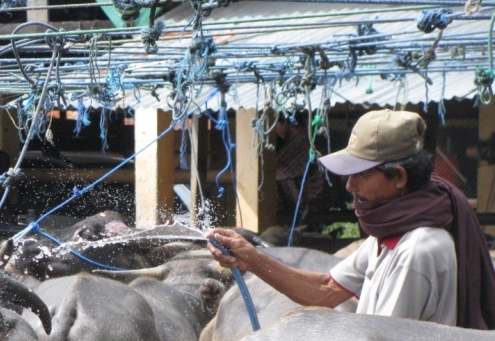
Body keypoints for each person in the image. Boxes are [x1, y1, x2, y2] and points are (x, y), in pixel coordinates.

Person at [207, 109, 495, 329]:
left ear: (399, 177)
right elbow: (326, 290)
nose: (349, 186)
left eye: (360, 174)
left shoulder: (417, 250)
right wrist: (251, 258)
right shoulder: (389, 237)